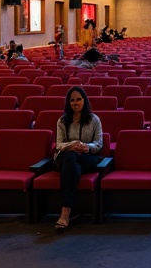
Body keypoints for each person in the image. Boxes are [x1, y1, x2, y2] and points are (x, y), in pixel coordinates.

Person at [53, 86, 103, 232]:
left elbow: (99, 144)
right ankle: (66, 211)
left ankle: (65, 212)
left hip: (87, 157)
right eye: (72, 100)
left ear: (84, 101)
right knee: (70, 156)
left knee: (72, 162)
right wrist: (73, 145)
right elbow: (59, 144)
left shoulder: (94, 120)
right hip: (66, 157)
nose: (75, 103)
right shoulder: (62, 120)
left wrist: (86, 147)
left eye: (79, 99)